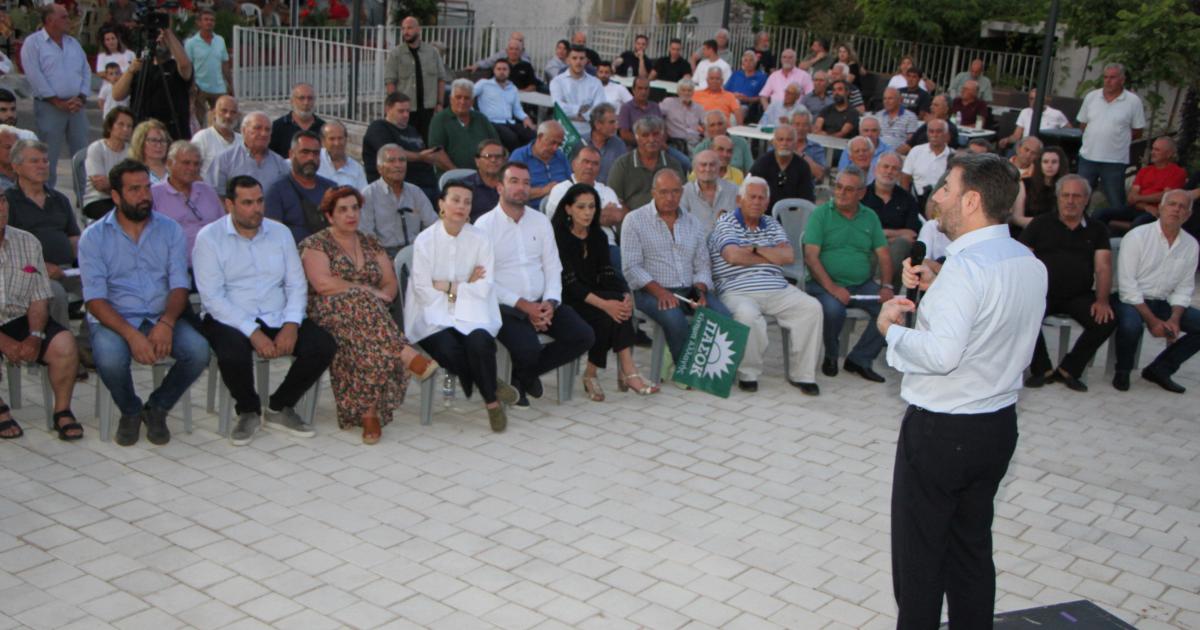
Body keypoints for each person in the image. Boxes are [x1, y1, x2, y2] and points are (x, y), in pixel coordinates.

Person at [876, 152, 1046, 630]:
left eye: (947, 188)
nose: (938, 197)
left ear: (971, 201)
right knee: (971, 551)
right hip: (998, 426)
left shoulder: (967, 268)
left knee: (919, 561)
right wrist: (939, 283)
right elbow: (995, 326)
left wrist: (891, 330)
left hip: (941, 432)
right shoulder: (1029, 262)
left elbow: (942, 355)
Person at [194, 174, 335, 446]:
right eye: (247, 203)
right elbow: (213, 298)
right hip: (230, 316)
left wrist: (291, 324)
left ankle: (279, 406)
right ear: (229, 205)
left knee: (322, 345)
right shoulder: (209, 238)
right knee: (232, 352)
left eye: (259, 201)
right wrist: (253, 332)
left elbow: (296, 283)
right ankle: (248, 410)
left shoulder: (279, 232)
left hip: (275, 311)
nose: (256, 209)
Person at [80, 160, 210, 446]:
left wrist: (167, 323)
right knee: (110, 359)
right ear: (116, 196)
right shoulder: (94, 237)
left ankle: (157, 408)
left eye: (147, 188)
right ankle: (130, 410)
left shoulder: (170, 229)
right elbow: (95, 300)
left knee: (198, 351)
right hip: (115, 319)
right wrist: (131, 335)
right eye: (135, 189)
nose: (144, 196)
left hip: (160, 314)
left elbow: (179, 285)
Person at [300, 186, 434, 443]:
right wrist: (366, 291)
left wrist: (381, 296)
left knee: (364, 340)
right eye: (343, 210)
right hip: (327, 311)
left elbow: (390, 282)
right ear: (329, 216)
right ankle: (403, 352)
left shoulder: (370, 242)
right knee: (361, 305)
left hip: (368, 319)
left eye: (355, 208)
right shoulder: (316, 244)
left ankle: (368, 414)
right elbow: (323, 284)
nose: (351, 214)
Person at [475, 162, 593, 406]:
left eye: (526, 183)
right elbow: (485, 281)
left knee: (583, 336)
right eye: (514, 181)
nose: (521, 188)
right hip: (504, 306)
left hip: (542, 301)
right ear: (500, 187)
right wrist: (524, 305)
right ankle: (525, 375)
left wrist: (550, 302)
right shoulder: (484, 226)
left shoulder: (540, 221)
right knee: (528, 349)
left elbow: (552, 267)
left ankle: (521, 377)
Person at [405, 181, 519, 432]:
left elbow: (484, 287)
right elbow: (424, 290)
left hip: (473, 312)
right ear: (441, 204)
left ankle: (485, 390)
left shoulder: (480, 239)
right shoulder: (426, 240)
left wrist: (447, 286)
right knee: (448, 349)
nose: (461, 206)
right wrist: (465, 284)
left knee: (479, 342)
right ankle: (492, 396)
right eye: (455, 200)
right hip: (431, 315)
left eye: (467, 202)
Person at [709, 176, 823, 394]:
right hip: (737, 290)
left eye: (761, 198)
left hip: (777, 288)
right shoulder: (726, 223)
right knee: (748, 315)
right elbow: (733, 256)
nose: (757, 202)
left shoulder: (772, 223)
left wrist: (754, 248)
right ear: (739, 200)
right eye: (752, 197)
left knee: (811, 307)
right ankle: (748, 374)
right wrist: (770, 255)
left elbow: (788, 256)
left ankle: (803, 375)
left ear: (767, 202)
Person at [551, 183, 657, 401]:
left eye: (591, 207)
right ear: (568, 209)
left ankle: (599, 374)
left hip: (595, 297)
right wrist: (607, 304)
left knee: (617, 308)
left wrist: (624, 295)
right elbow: (570, 285)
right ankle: (624, 371)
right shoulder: (558, 237)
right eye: (581, 207)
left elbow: (607, 273)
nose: (587, 212)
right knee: (610, 314)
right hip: (568, 300)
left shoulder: (598, 236)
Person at [622, 169, 731, 370]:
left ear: (682, 192)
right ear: (653, 192)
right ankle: (687, 370)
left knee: (724, 316)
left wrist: (699, 290)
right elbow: (631, 267)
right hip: (650, 291)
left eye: (675, 192)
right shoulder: (634, 220)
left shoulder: (693, 222)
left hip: (689, 290)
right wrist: (660, 292)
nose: (670, 198)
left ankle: (714, 373)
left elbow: (702, 264)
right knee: (674, 318)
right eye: (663, 192)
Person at [1020, 174, 1115, 392]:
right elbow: (1022, 260)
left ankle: (1070, 369)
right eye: (1066, 195)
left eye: (1076, 196)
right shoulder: (1040, 224)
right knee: (1021, 315)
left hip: (1079, 295)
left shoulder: (1097, 229)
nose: (1070, 201)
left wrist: (1102, 301)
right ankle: (1041, 369)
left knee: (1106, 320)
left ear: (1086, 200)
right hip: (1042, 293)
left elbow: (1103, 267)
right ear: (1058, 197)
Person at [0, 191, 81, 441]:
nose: (1, 207)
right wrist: (5, 343)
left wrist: (35, 335)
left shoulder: (27, 242)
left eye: (2, 200)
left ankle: (62, 410)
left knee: (64, 344)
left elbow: (38, 296)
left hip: (19, 315)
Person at [803, 166, 893, 382]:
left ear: (861, 193)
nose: (841, 193)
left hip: (861, 284)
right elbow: (811, 257)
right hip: (823, 284)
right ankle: (831, 355)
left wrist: (887, 286)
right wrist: (833, 288)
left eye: (849, 189)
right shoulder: (821, 214)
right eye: (838, 187)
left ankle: (860, 359)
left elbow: (883, 255)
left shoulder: (869, 217)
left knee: (892, 311)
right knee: (834, 310)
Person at [1112, 189, 1199, 393]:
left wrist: (1175, 319)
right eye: (1172, 204)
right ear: (1160, 208)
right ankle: (1122, 371)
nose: (1176, 209)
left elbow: (1184, 287)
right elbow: (1127, 286)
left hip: (1163, 301)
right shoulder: (1138, 236)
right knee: (1131, 325)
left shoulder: (1191, 245)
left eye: (1182, 207)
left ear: (1188, 215)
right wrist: (1153, 321)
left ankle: (1160, 369)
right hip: (1130, 299)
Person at [5, 140, 80, 329]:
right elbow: (5, 249)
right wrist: (40, 267)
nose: (42, 166)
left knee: (105, 287)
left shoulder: (59, 199)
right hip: (29, 273)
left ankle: (89, 340)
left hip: (67, 270)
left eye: (45, 161)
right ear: (16, 167)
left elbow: (73, 238)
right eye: (34, 161)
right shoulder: (8, 202)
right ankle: (62, 342)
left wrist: (88, 262)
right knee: (56, 293)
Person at [20, 4, 90, 188]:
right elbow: (34, 75)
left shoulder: (73, 43)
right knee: (47, 156)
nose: (68, 20)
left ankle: (83, 197)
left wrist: (82, 97)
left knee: (81, 155)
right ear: (50, 20)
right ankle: (46, 194)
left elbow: (86, 70)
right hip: (49, 106)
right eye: (64, 17)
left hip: (76, 107)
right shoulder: (33, 43)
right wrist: (56, 101)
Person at [1077, 63, 1147, 211]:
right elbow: (1083, 124)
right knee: (1080, 197)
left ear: (1122, 79)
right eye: (1105, 77)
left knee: (1116, 200)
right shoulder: (1092, 97)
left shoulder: (1133, 101)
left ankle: (1115, 224)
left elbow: (1138, 131)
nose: (1108, 81)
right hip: (1088, 157)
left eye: (1112, 77)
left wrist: (1116, 140)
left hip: (1115, 160)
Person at [110, 27, 193, 143]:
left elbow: (184, 65)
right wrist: (130, 71)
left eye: (164, 40)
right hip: (142, 130)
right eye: (157, 39)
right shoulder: (139, 67)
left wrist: (168, 32)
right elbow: (117, 95)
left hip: (172, 132)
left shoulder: (176, 67)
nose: (160, 41)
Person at [362, 92, 451, 198]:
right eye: (401, 111)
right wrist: (420, 157)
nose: (406, 115)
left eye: (408, 111)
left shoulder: (411, 130)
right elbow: (390, 153)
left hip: (428, 185)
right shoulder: (379, 127)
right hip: (400, 190)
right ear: (388, 109)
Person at [543, 146, 625, 258]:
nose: (590, 167)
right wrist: (602, 215)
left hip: (607, 246)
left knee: (625, 264)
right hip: (572, 246)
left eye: (595, 163)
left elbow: (617, 217)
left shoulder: (607, 191)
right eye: (585, 162)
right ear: (573, 165)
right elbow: (563, 222)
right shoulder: (561, 189)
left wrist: (580, 214)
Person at [152, 141, 223, 265]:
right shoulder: (154, 194)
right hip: (173, 266)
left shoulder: (208, 191)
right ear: (169, 163)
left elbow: (223, 226)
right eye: (186, 163)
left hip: (213, 263)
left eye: (196, 164)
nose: (192, 168)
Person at [360, 144, 437, 256]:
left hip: (416, 251)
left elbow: (433, 225)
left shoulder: (415, 192)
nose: (398, 165)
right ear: (379, 168)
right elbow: (366, 234)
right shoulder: (369, 194)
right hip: (383, 254)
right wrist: (382, 258)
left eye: (402, 160)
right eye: (391, 161)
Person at [1095, 136, 1187, 230]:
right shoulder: (1145, 171)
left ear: (1169, 154)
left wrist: (1139, 198)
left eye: (1157, 150)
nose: (1152, 152)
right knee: (1100, 214)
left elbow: (1166, 196)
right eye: (1153, 149)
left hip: (1158, 212)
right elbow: (1131, 198)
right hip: (1140, 208)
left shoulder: (1177, 172)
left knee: (1139, 222)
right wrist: (1146, 206)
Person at [265, 130, 337, 243]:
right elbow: (272, 235)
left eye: (315, 153)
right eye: (305, 152)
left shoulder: (331, 188)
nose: (311, 158)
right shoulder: (276, 191)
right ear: (291, 154)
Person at [384, 16, 450, 139]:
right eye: (403, 28)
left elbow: (441, 79)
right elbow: (390, 81)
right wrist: (393, 106)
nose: (406, 32)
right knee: (406, 142)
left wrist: (440, 103)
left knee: (428, 142)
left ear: (418, 29)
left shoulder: (432, 52)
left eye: (409, 28)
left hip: (428, 109)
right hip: (406, 110)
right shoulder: (396, 54)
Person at [608, 116, 685, 212]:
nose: (651, 139)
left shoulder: (673, 164)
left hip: (666, 217)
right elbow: (614, 198)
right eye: (645, 135)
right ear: (636, 137)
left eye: (656, 134)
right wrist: (634, 218)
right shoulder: (622, 164)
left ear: (662, 136)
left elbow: (681, 196)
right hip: (630, 218)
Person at [864, 152, 921, 279]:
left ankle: (880, 284)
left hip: (896, 252)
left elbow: (911, 235)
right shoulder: (861, 196)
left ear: (900, 174)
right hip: (865, 249)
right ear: (875, 169)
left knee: (902, 244)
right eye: (886, 166)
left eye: (894, 168)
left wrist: (880, 234)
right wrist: (893, 235)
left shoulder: (908, 200)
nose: (889, 171)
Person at [206, 112, 290, 197]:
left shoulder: (280, 164)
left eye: (267, 130)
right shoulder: (224, 160)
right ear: (244, 130)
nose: (264, 133)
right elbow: (213, 195)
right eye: (257, 128)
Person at [429, 79, 499, 169]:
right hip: (451, 174)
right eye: (458, 97)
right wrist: (458, 172)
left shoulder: (481, 119)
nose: (462, 102)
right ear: (451, 99)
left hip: (483, 173)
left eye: (467, 98)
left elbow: (496, 145)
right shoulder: (440, 119)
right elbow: (437, 152)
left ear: (472, 101)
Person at [82, 106, 134, 220]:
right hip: (97, 200)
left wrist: (111, 183)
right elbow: (99, 185)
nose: (125, 129)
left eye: (129, 126)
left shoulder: (132, 151)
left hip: (125, 201)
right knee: (123, 217)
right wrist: (126, 187)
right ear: (110, 126)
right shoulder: (97, 148)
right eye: (121, 124)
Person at [473, 58, 536, 152]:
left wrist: (526, 118)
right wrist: (473, 114)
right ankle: (513, 160)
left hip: (509, 122)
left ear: (509, 71)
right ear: (494, 71)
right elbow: (468, 95)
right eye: (499, 69)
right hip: (492, 122)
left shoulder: (512, 88)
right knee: (512, 139)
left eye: (504, 69)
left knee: (532, 135)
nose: (501, 72)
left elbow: (517, 109)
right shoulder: (484, 84)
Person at [184, 9, 231, 128]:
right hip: (200, 87)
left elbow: (225, 64)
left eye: (212, 20)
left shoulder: (220, 40)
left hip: (219, 87)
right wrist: (191, 85)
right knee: (200, 121)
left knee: (221, 120)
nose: (209, 22)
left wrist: (231, 84)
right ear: (199, 22)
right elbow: (188, 66)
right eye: (206, 19)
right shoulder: (191, 43)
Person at [749, 125, 815, 204]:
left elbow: (807, 199)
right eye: (780, 139)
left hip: (793, 209)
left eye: (789, 140)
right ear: (773, 142)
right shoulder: (762, 163)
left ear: (795, 143)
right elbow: (750, 192)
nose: (784, 143)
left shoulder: (802, 166)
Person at [511, 120, 571, 205]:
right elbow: (512, 191)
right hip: (530, 209)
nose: (555, 148)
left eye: (559, 144)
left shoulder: (560, 156)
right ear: (540, 137)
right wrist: (544, 190)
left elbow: (570, 183)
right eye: (552, 142)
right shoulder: (520, 156)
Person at [551, 45, 606, 136]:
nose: (578, 62)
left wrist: (571, 113)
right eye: (574, 58)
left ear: (586, 61)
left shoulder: (596, 83)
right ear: (568, 60)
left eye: (581, 58)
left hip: (589, 133)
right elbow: (559, 108)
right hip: (563, 133)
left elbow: (599, 111)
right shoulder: (557, 82)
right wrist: (581, 109)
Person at [1011, 146, 1067, 229]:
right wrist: (1043, 223)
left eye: (1054, 162)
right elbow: (1016, 218)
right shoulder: (1024, 184)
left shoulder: (1067, 186)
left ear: (1060, 164)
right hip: (1029, 229)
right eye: (1045, 162)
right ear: (1039, 164)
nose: (1049, 165)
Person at [682, 149, 738, 232]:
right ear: (695, 168)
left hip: (728, 239)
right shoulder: (683, 193)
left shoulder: (734, 190)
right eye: (703, 165)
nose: (708, 169)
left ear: (718, 167)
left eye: (712, 165)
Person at [998, 88, 1070, 151]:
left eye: (1037, 98)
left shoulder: (1056, 114)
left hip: (1045, 148)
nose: (1034, 101)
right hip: (1025, 146)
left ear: (1044, 99)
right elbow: (1017, 136)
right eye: (1031, 98)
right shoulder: (1025, 112)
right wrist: (1006, 140)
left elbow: (1070, 131)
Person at [901, 118, 952, 206]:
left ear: (946, 135)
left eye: (939, 131)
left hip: (943, 203)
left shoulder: (953, 156)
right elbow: (905, 178)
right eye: (931, 131)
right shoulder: (916, 151)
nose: (934, 135)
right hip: (917, 201)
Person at [267, 83, 325, 159]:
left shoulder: (323, 128)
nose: (306, 102)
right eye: (301, 98)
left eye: (310, 98)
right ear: (292, 101)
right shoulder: (277, 127)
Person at [192, 95, 241, 175]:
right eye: (224, 111)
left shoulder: (242, 140)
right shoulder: (202, 138)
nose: (228, 116)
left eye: (233, 112)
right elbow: (192, 168)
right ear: (214, 113)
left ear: (237, 115)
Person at [316, 121, 368, 191]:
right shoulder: (315, 160)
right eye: (332, 139)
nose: (337, 143)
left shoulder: (357, 168)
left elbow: (363, 195)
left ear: (346, 139)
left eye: (340, 138)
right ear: (323, 141)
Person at [463, 139, 505, 221]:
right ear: (477, 161)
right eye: (488, 156)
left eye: (498, 157)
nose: (493, 160)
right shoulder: (464, 186)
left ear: (504, 161)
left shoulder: (510, 185)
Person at [659, 80, 705, 151]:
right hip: (676, 143)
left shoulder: (699, 108)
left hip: (695, 143)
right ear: (678, 91)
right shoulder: (669, 103)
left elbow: (706, 124)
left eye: (689, 90)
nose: (686, 93)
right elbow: (656, 113)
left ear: (693, 92)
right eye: (683, 90)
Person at [586, 103, 625, 183]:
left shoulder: (619, 145)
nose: (616, 127)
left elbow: (624, 174)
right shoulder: (580, 142)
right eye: (611, 122)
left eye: (616, 122)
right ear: (598, 124)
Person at [617, 76, 662, 145]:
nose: (643, 92)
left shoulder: (655, 106)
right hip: (635, 146)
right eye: (640, 88)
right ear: (633, 90)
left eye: (646, 89)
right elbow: (624, 134)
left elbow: (663, 129)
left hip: (656, 145)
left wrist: (658, 142)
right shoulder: (626, 108)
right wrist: (645, 142)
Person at [726, 50, 767, 121]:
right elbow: (725, 91)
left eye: (751, 60)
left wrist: (748, 99)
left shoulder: (761, 77)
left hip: (747, 106)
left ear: (755, 63)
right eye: (746, 60)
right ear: (742, 63)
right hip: (730, 102)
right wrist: (733, 95)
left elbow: (764, 97)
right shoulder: (736, 74)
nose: (748, 63)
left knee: (736, 114)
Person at [129, 119, 171, 185]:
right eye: (153, 140)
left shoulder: (176, 169)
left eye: (163, 140)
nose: (159, 145)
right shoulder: (133, 173)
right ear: (141, 143)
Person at [790, 111, 827, 181]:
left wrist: (801, 155)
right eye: (797, 124)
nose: (801, 128)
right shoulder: (780, 144)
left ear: (809, 128)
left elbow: (820, 175)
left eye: (805, 125)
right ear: (791, 126)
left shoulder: (816, 148)